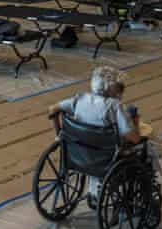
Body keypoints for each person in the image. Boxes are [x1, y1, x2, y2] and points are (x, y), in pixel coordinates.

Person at [48, 66, 144, 203]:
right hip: (105, 159)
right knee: (144, 147)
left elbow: (52, 109)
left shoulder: (80, 99)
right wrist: (135, 121)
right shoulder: (115, 106)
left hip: (77, 155)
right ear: (112, 89)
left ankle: (94, 188)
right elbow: (133, 138)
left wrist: (59, 136)